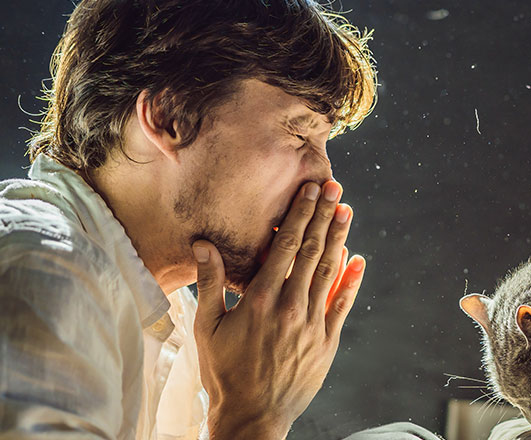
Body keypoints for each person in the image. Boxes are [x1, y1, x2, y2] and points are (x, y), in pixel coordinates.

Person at [0, 1, 441, 439]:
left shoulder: (176, 315)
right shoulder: (41, 268)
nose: (325, 177)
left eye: (324, 143)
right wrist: (251, 420)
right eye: (297, 132)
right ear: (169, 118)